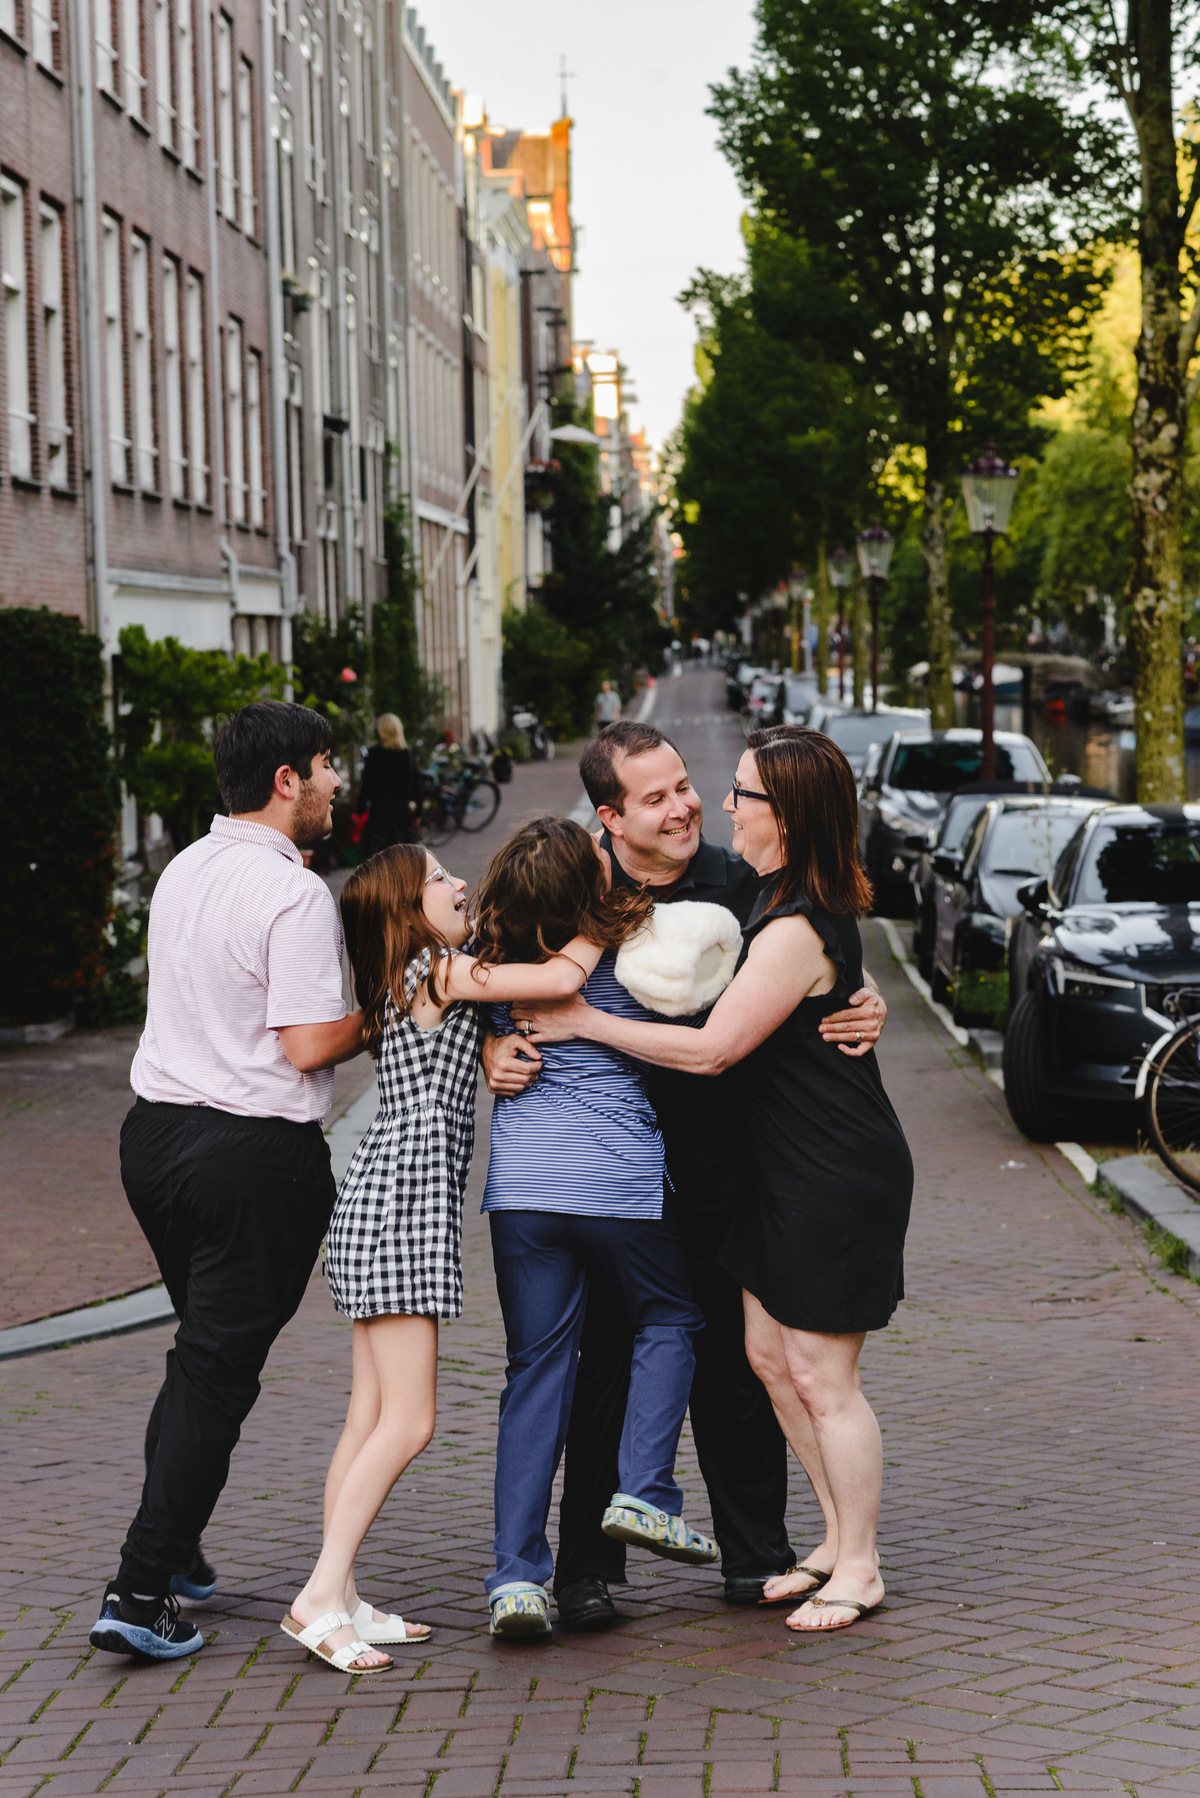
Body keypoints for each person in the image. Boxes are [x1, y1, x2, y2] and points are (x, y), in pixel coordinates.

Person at [482, 719, 887, 1631]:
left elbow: (812, 965)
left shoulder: (741, 884)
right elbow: (505, 969)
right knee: (604, 1366)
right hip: (609, 1176)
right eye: (656, 796)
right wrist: (492, 1048)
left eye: (687, 787)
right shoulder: (578, 884)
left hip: (728, 1163)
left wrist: (868, 1002)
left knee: (742, 1366)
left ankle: (757, 1553)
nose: (685, 805)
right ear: (609, 818)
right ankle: (585, 1571)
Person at [281, 842, 619, 1672]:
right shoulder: (437, 968)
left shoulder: (413, 974)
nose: (458, 882)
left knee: (369, 1418)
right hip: (400, 1208)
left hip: (382, 1202)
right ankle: (321, 1597)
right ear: (406, 908)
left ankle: (344, 1593)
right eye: (438, 878)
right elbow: (559, 983)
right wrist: (606, 920)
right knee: (411, 1420)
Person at [90, 703, 364, 1663]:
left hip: (154, 1143)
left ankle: (177, 1545)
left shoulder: (184, 869)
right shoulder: (295, 897)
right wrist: (396, 1003)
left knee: (199, 1356)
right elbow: (306, 1046)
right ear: (287, 780)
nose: (338, 782)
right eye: (328, 766)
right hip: (251, 1159)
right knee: (215, 1371)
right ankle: (139, 1589)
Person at [475, 816, 715, 1640]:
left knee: (534, 1373)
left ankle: (514, 1579)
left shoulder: (494, 964)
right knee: (671, 1316)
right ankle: (644, 1491)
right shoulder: (628, 947)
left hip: (524, 1192)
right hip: (616, 1183)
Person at [357, 713, 418, 858]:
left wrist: (359, 809)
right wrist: (418, 810)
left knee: (377, 857)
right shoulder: (406, 754)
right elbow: (414, 783)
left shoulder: (374, 754)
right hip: (401, 811)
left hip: (380, 812)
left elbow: (367, 784)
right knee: (402, 856)